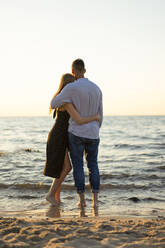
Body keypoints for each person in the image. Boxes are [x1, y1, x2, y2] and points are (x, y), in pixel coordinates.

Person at [50, 59, 103, 208]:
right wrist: (95, 128)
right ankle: (96, 201)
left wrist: (65, 98)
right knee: (94, 165)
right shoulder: (97, 88)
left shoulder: (71, 88)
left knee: (78, 166)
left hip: (77, 133)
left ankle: (82, 201)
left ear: (73, 71)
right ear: (84, 70)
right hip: (93, 133)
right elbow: (101, 115)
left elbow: (53, 104)